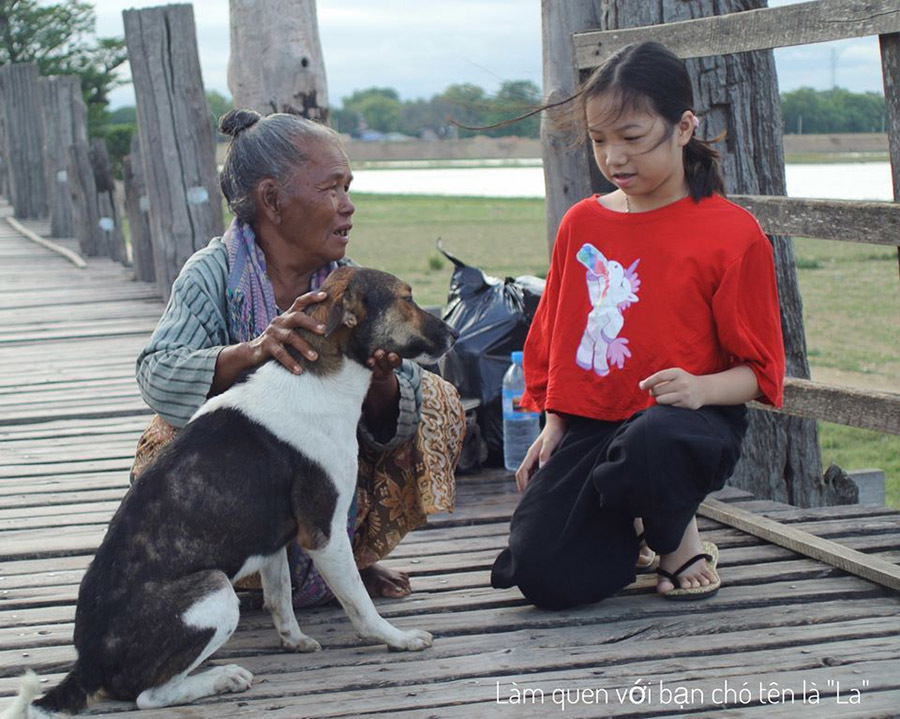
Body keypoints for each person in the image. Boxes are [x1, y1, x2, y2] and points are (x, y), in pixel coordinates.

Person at [490, 41, 785, 609]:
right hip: (597, 422)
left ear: (683, 127)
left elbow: (762, 372)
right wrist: (554, 422)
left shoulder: (731, 232)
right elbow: (561, 334)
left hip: (688, 426)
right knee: (545, 573)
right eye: (600, 140)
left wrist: (698, 388)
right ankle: (636, 529)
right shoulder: (582, 224)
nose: (614, 158)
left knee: (652, 438)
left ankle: (676, 536)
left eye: (632, 137)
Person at [133, 109, 465, 606]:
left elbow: (393, 423)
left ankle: (347, 558)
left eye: (348, 188)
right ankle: (221, 576)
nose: (348, 206)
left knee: (433, 398)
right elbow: (157, 375)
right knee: (166, 438)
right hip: (238, 484)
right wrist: (252, 353)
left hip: (314, 478)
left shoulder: (350, 286)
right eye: (331, 188)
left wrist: (380, 383)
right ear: (272, 199)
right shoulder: (213, 274)